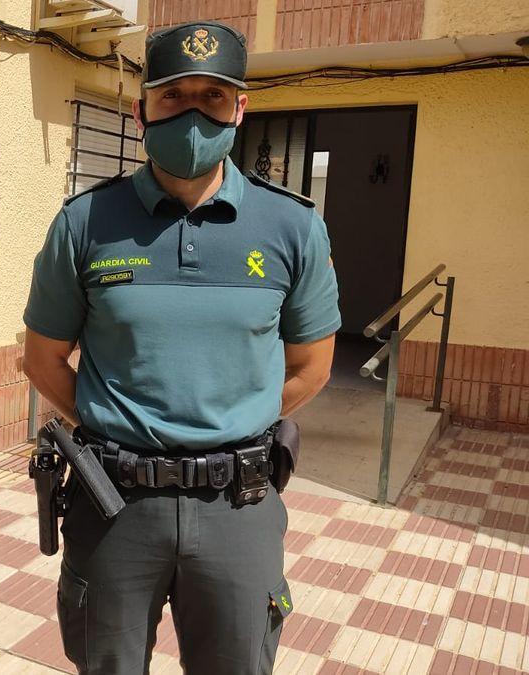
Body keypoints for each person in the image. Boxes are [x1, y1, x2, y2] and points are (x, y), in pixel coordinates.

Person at [22, 21, 341, 674]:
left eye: (212, 97)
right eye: (174, 97)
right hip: (114, 506)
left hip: (238, 507)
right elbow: (43, 357)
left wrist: (237, 416)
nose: (193, 113)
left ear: (239, 109)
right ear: (143, 109)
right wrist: (118, 424)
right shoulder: (84, 223)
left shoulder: (293, 227)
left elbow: (314, 363)